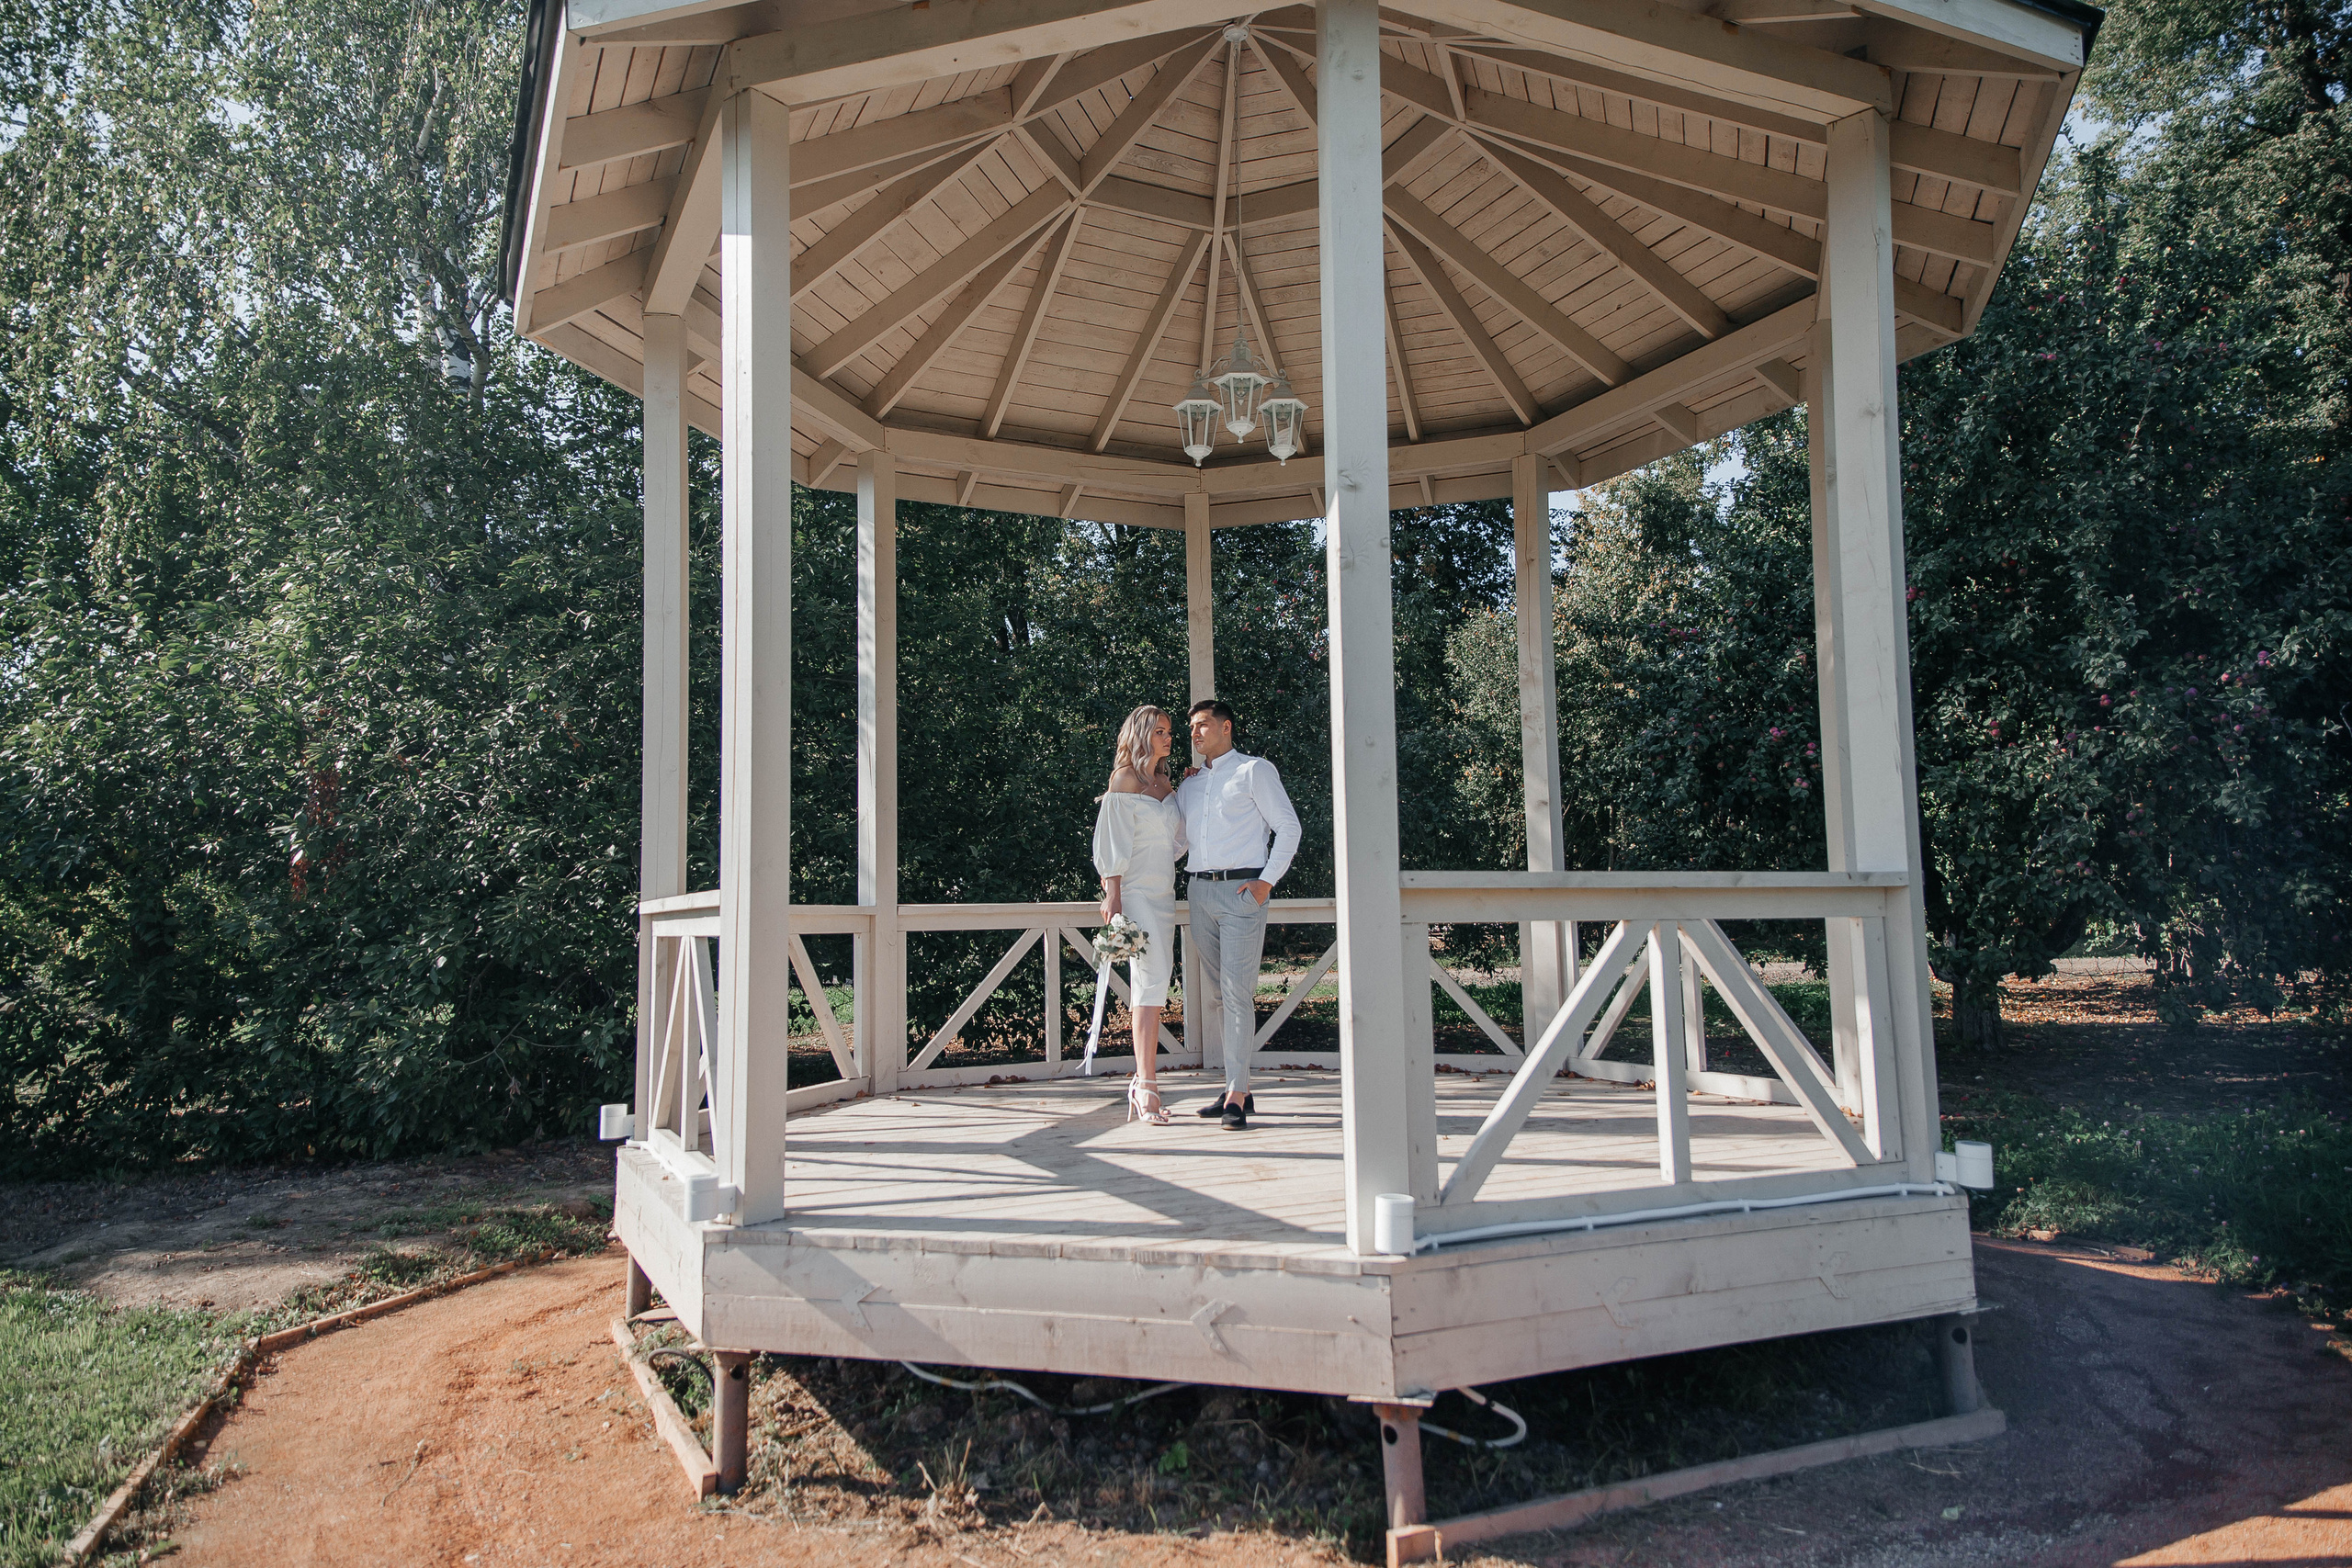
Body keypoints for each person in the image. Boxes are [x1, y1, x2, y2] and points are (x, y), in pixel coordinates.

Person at [1175, 698, 1301, 1131]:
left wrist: (1266, 882)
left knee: (1236, 995)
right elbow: (1179, 844)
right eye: (1192, 727)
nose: (1195, 733)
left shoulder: (1254, 770)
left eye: (1203, 725)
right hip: (1199, 892)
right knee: (1220, 996)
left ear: (1226, 727)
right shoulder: (1190, 785)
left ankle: (1235, 1093)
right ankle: (1239, 1087)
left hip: (1243, 892)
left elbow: (1289, 826)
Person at [1091, 705, 1187, 1125]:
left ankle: (1143, 1081)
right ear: (1142, 734)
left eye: (1169, 731)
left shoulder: (1166, 781)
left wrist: (1189, 788)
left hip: (1164, 893)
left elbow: (1176, 842)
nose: (1168, 738)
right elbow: (1111, 840)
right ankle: (1146, 1085)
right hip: (1135, 894)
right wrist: (1112, 895)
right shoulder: (1125, 779)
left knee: (1157, 981)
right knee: (1150, 980)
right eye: (1160, 731)